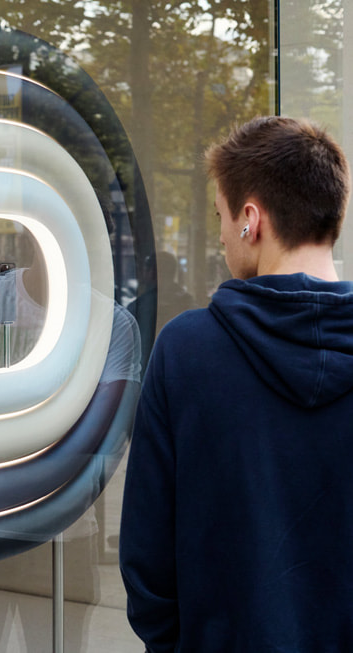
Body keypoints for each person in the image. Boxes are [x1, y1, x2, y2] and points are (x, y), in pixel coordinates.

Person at [120, 116, 353, 651]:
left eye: (222, 215)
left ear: (251, 219)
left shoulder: (186, 352)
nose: (223, 232)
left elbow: (147, 559)